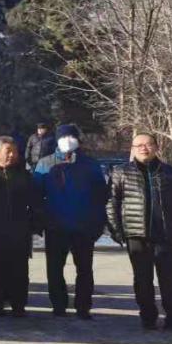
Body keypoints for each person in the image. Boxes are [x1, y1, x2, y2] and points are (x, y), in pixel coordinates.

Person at [106, 133, 172, 335]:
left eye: (148, 144)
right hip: (136, 235)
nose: (143, 148)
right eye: (139, 145)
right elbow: (111, 203)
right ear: (132, 148)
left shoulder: (171, 173)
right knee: (143, 280)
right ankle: (148, 317)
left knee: (170, 281)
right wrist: (116, 230)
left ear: (156, 147)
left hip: (166, 235)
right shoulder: (121, 172)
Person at [33, 124, 107, 319]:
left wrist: (98, 223)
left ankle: (83, 306)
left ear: (78, 140)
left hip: (83, 226)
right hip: (55, 226)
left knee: (84, 269)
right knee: (54, 269)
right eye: (63, 137)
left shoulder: (90, 165)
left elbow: (101, 195)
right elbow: (36, 195)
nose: (67, 140)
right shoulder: (45, 163)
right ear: (57, 140)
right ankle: (59, 305)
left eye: (71, 136)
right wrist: (42, 221)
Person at [0, 137, 42, 317]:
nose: (11, 155)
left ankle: (19, 305)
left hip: (19, 231)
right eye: (7, 151)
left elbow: (35, 203)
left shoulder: (24, 176)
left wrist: (32, 224)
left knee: (19, 271)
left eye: (14, 151)